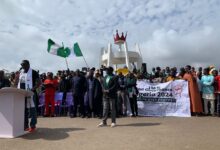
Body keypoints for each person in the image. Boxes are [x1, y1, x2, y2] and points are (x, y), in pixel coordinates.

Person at [17, 60, 40, 132]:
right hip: (22, 94)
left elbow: (39, 82)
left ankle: (33, 125)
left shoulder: (33, 72)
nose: (22, 66)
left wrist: (32, 89)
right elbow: (18, 82)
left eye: (24, 65)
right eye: (22, 65)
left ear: (28, 64)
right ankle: (25, 125)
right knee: (24, 110)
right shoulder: (21, 72)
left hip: (31, 94)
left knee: (32, 110)